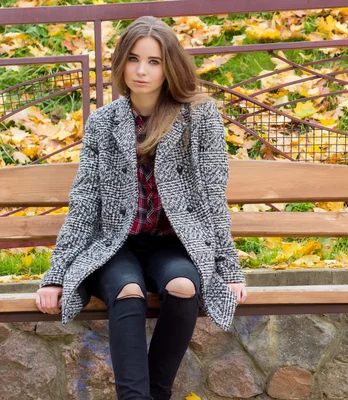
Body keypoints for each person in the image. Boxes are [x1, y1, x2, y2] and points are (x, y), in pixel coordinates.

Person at [35, 15, 247, 400]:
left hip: (172, 246)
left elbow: (212, 197)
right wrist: (55, 276)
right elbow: (84, 202)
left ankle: (155, 393)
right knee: (129, 291)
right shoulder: (103, 123)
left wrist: (228, 268)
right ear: (121, 63)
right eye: (133, 59)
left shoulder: (199, 118)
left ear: (170, 67)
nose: (142, 70)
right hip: (115, 246)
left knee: (183, 287)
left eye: (154, 61)